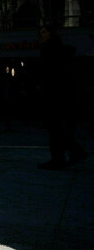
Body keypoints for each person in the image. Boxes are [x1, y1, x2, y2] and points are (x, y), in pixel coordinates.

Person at [36, 24, 88, 170]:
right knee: (58, 129)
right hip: (63, 96)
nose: (41, 35)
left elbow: (50, 75)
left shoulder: (50, 51)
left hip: (56, 96)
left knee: (56, 128)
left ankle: (66, 155)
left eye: (44, 32)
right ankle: (69, 154)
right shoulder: (59, 51)